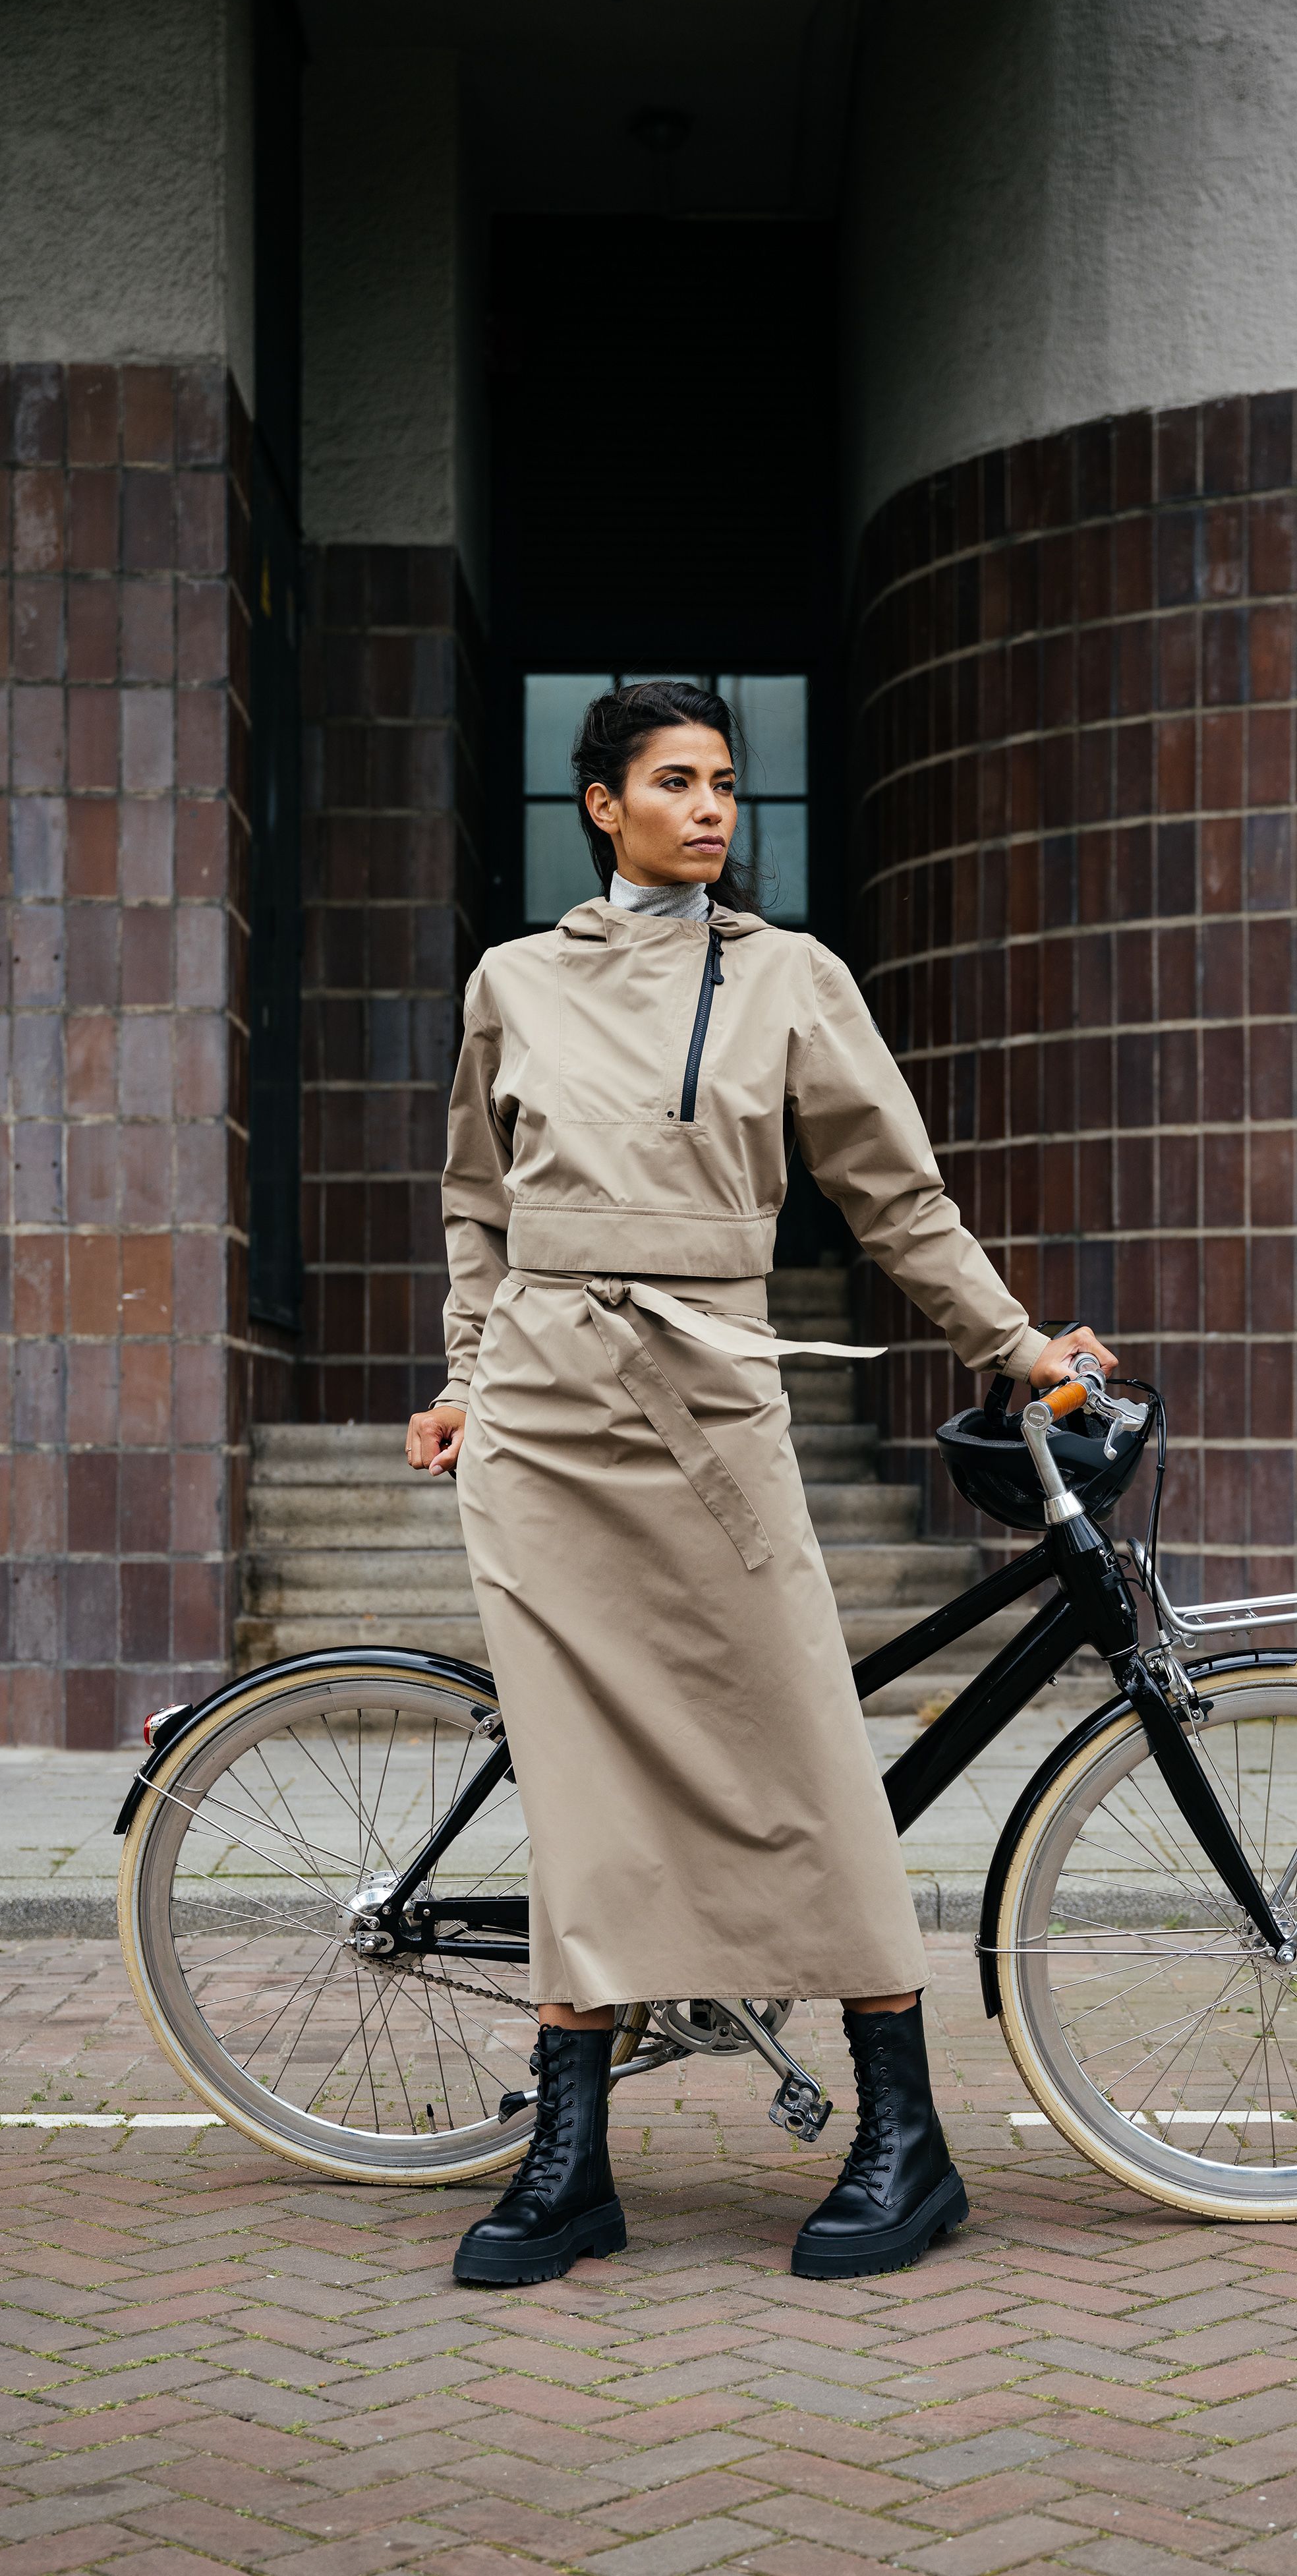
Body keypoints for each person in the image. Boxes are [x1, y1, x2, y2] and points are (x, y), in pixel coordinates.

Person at [405, 680, 1114, 2287]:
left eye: (726, 784)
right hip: (538, 1418)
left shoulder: (792, 977)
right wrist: (461, 1381)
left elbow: (896, 1198)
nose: (712, 810)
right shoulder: (514, 980)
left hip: (707, 1395)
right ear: (603, 805)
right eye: (674, 783)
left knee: (804, 1748)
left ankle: (904, 2137)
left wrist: (1013, 1348)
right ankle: (570, 2163)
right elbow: (477, 1205)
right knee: (578, 1783)